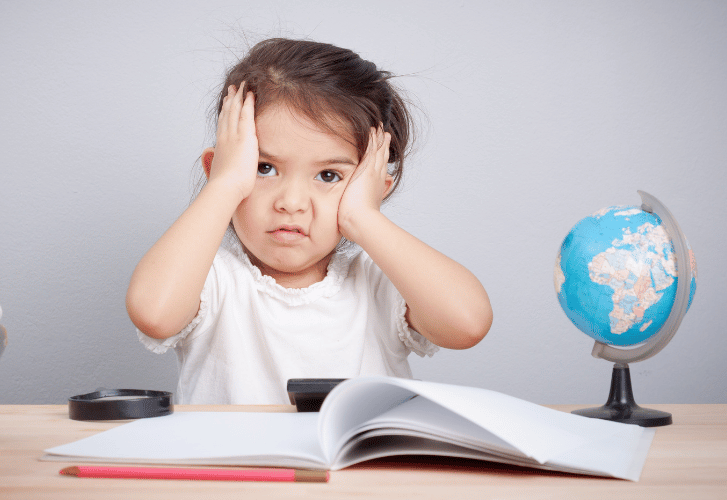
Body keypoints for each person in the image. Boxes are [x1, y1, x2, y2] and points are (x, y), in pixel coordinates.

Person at [126, 38, 492, 404]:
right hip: (243, 463)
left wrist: (365, 217)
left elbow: (467, 324)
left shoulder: (380, 283)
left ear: (373, 190)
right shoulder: (211, 279)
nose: (291, 203)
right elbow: (154, 313)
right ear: (219, 168)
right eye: (263, 168)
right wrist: (225, 186)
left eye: (328, 175)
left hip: (358, 464)